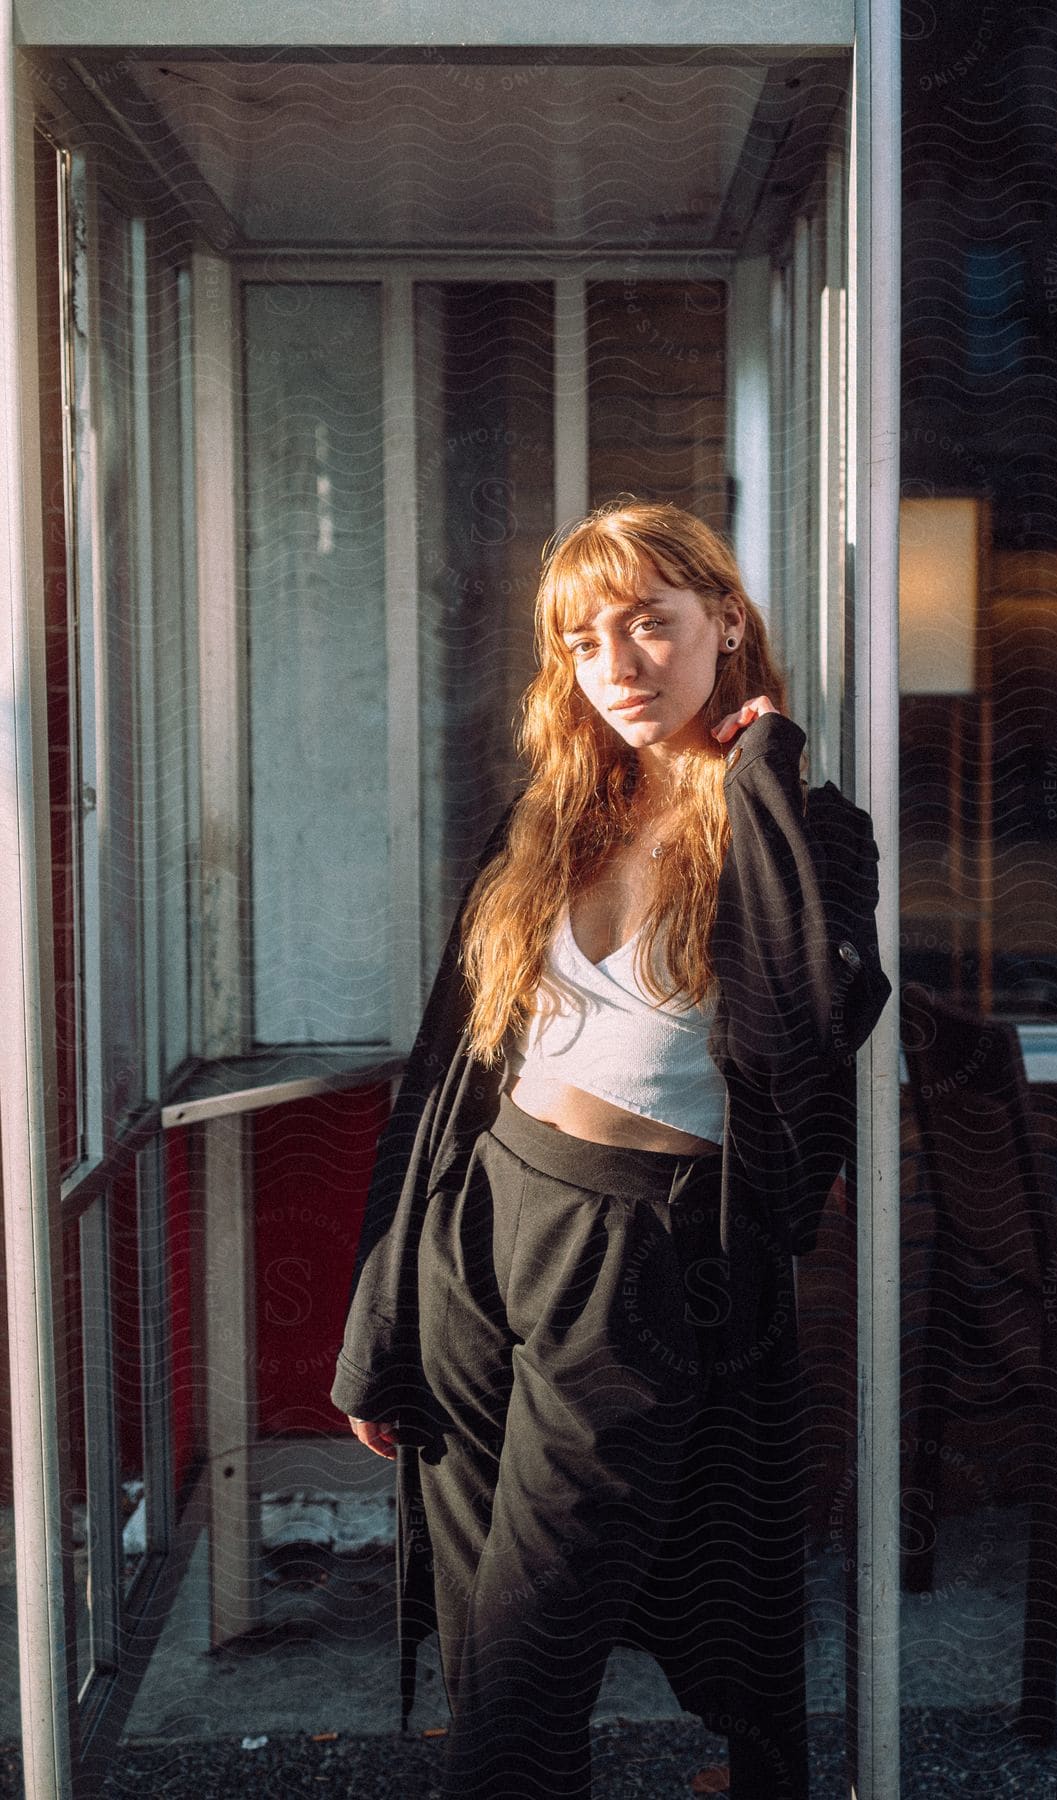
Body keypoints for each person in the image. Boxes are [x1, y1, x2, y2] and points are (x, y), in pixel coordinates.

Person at [330, 500, 890, 1800]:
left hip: (633, 1262)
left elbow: (816, 1015)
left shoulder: (808, 829)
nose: (622, 661)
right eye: (588, 638)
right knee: (487, 1658)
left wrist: (756, 780)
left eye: (653, 622)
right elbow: (444, 1084)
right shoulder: (551, 819)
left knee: (524, 1683)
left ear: (725, 624)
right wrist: (381, 1323)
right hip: (484, 1227)